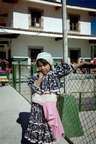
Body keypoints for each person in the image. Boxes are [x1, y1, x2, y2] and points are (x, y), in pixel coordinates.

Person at [24, 52, 89, 144]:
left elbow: (69, 68)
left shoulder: (54, 73)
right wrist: (40, 78)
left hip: (50, 106)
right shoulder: (36, 76)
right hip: (38, 108)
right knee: (39, 125)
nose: (42, 68)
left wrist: (81, 64)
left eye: (45, 65)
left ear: (50, 64)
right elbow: (33, 88)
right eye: (40, 66)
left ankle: (49, 141)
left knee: (50, 125)